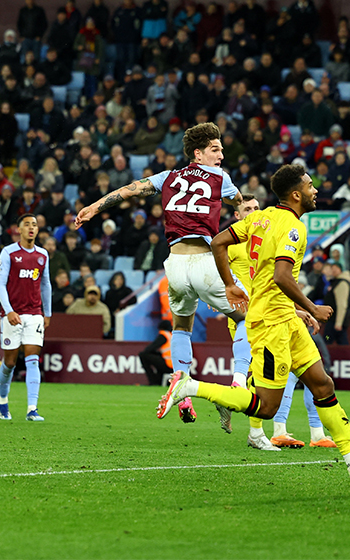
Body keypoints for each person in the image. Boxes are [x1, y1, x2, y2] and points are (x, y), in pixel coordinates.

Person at [160, 163, 350, 484]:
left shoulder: (259, 217)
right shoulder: (294, 229)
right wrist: (312, 306)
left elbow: (217, 242)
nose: (316, 191)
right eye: (311, 186)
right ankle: (190, 386)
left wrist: (230, 284)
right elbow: (282, 276)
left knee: (323, 384)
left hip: (285, 318)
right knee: (267, 406)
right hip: (270, 322)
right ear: (296, 194)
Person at [75, 123, 249, 430]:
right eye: (215, 149)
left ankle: (182, 391)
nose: (221, 154)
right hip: (205, 260)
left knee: (182, 326)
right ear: (198, 153)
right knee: (249, 317)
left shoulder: (166, 177)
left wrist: (93, 207)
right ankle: (236, 387)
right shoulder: (221, 178)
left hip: (174, 267)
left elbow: (128, 190)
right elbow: (243, 203)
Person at [229, 193, 336, 451]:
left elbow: (278, 282)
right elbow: (217, 264)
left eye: (256, 207)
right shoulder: (235, 246)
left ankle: (302, 431)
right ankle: (237, 401)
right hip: (253, 317)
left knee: (312, 373)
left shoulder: (268, 234)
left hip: (278, 312)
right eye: (248, 208)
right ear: (237, 214)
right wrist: (221, 289)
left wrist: (299, 309)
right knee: (255, 377)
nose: (253, 212)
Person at [0, 213, 52, 422]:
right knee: (10, 362)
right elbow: (0, 284)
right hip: (12, 314)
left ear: (38, 230)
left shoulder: (43, 255)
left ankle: (32, 409)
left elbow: (46, 285)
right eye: (27, 224)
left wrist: (48, 312)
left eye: (34, 225)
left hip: (35, 314)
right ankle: (2, 400)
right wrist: (9, 310)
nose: (31, 228)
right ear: (18, 229)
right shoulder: (8, 253)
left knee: (33, 360)